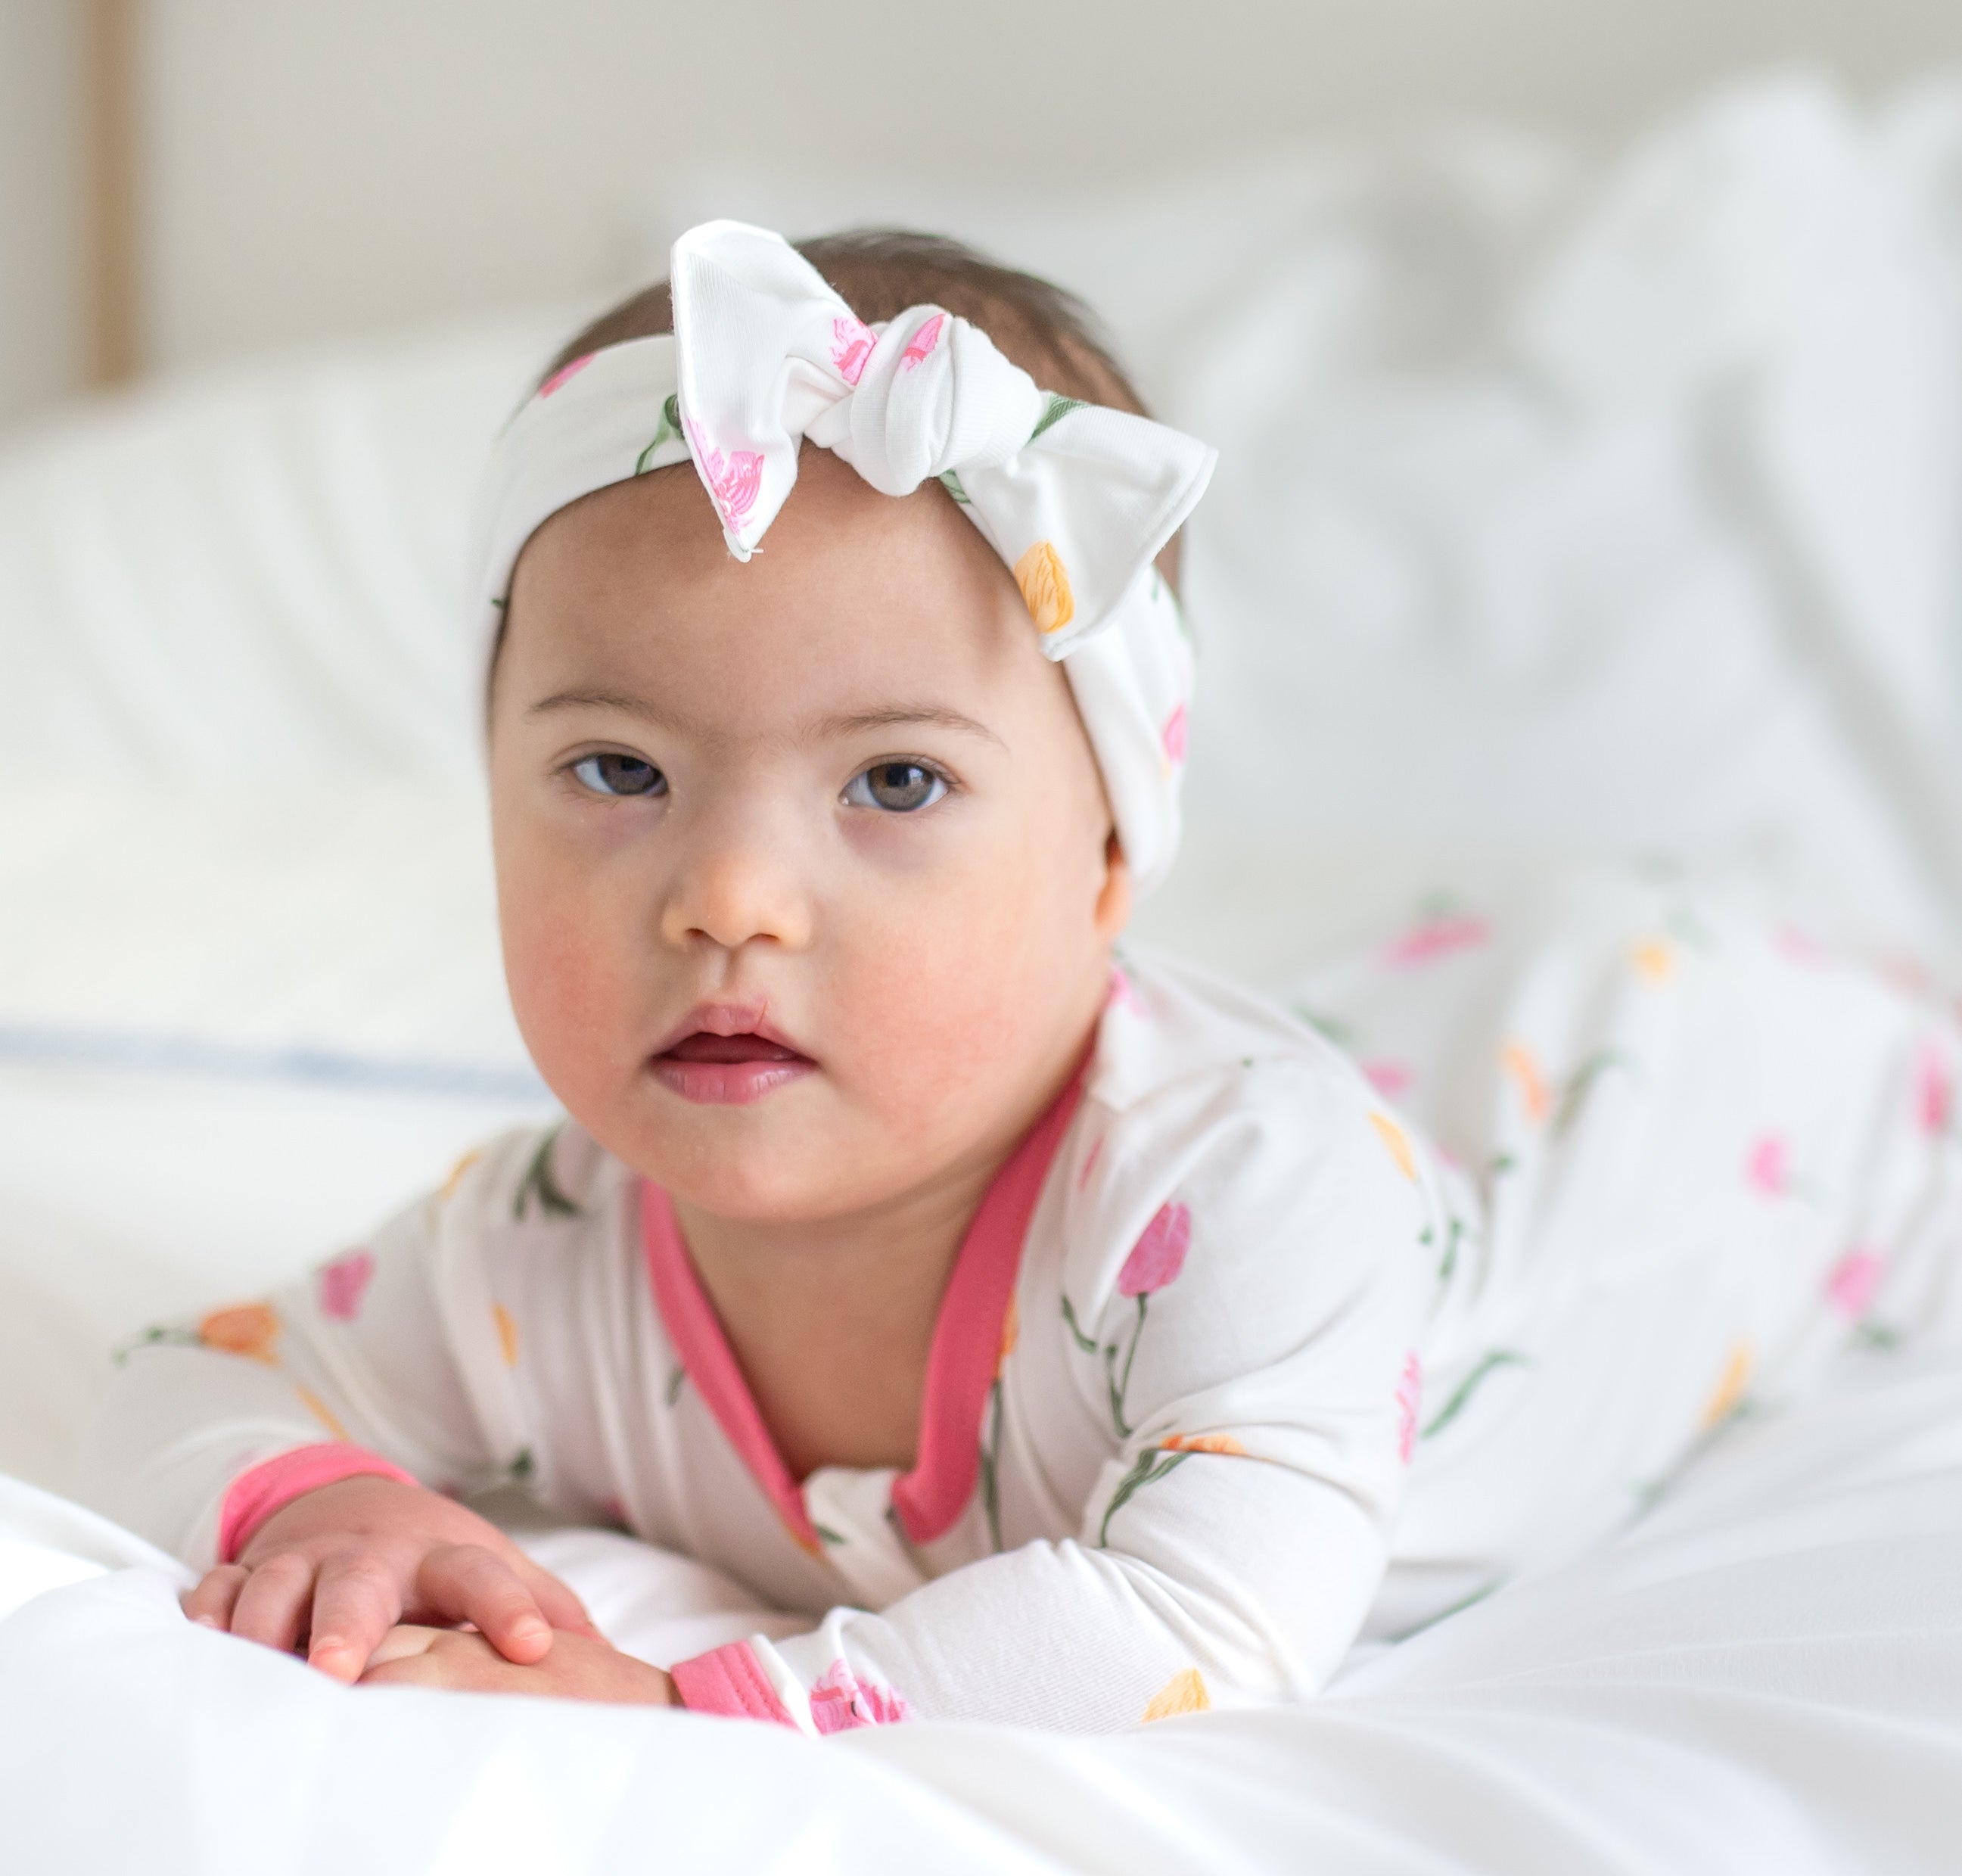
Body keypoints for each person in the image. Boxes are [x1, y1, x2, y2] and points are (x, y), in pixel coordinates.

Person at [81, 222, 1962, 1734]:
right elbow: (183, 1378)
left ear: (1114, 850)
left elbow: (1199, 1616)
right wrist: (324, 1503)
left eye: (895, 782)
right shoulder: (542, 1246)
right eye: (616, 774)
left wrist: (678, 1703)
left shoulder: (1240, 1199)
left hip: (1712, 1091)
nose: (728, 897)